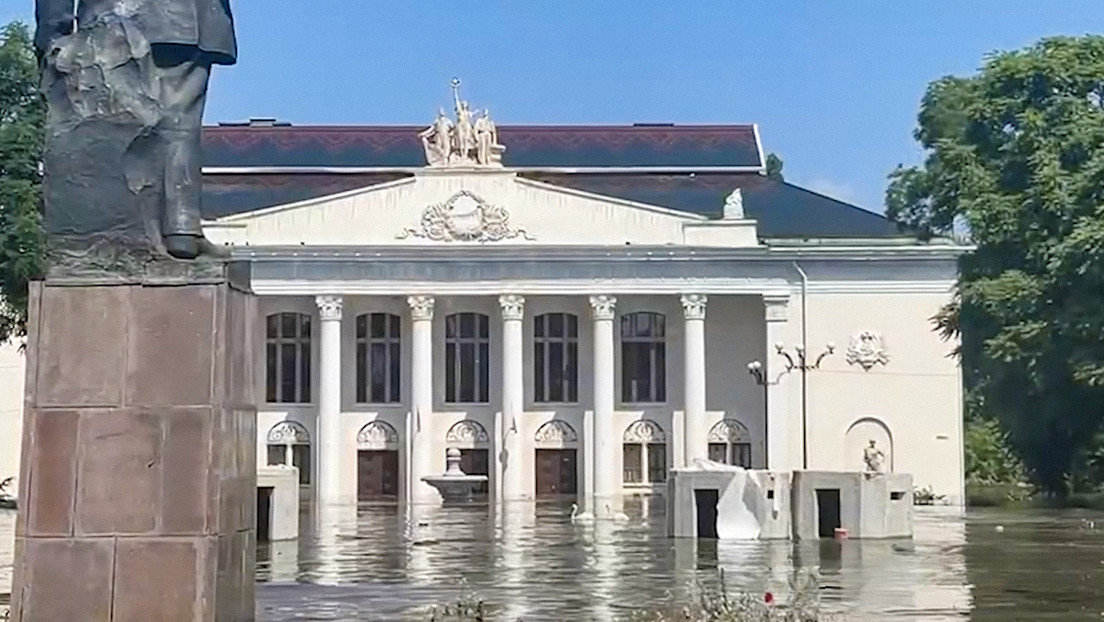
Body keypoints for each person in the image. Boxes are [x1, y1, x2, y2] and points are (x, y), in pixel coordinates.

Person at [35, 0, 238, 260]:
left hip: (110, 22)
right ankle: (182, 228)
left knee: (114, 125)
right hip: (188, 18)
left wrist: (53, 33)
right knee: (180, 117)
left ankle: (160, 231)